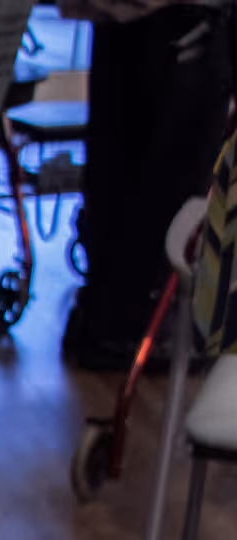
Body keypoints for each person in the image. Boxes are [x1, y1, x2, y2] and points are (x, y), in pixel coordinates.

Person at [59, 0, 232, 369]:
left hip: (131, 18)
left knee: (121, 165)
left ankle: (110, 322)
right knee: (167, 182)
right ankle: (139, 329)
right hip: (182, 23)